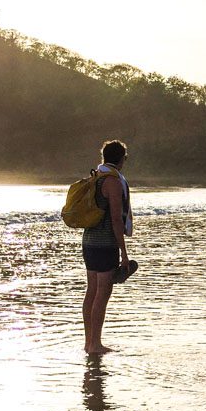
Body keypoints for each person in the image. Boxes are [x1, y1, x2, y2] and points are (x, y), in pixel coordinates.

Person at [82, 139, 133, 354]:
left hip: (89, 242)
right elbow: (115, 220)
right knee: (102, 293)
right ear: (122, 159)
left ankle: (89, 342)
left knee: (92, 291)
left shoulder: (96, 176)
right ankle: (95, 344)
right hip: (105, 245)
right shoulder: (112, 181)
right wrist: (124, 252)